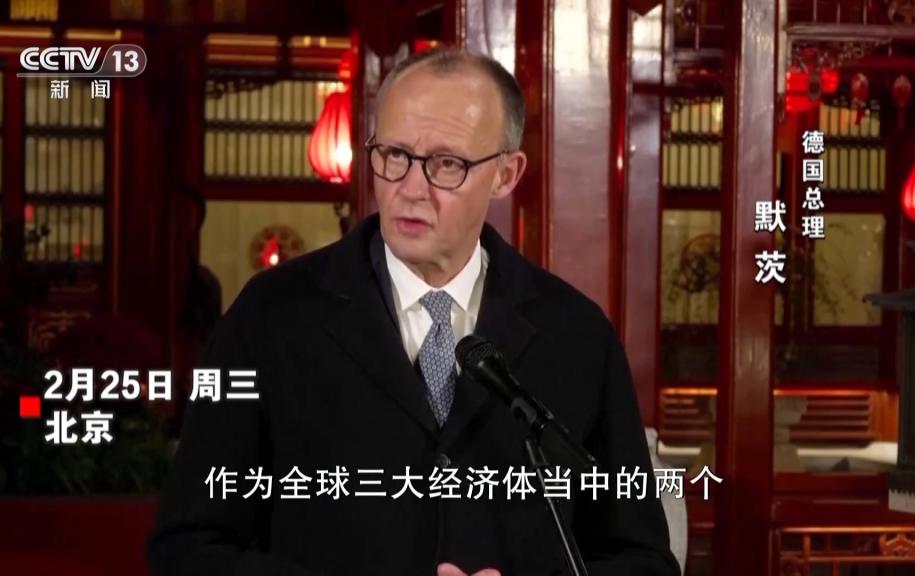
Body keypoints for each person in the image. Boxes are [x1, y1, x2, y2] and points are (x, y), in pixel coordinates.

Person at [147, 48, 680, 576]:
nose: (411, 189)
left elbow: (643, 560)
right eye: (394, 154)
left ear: (506, 174)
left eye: (447, 164)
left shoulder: (575, 334)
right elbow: (187, 546)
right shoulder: (271, 317)